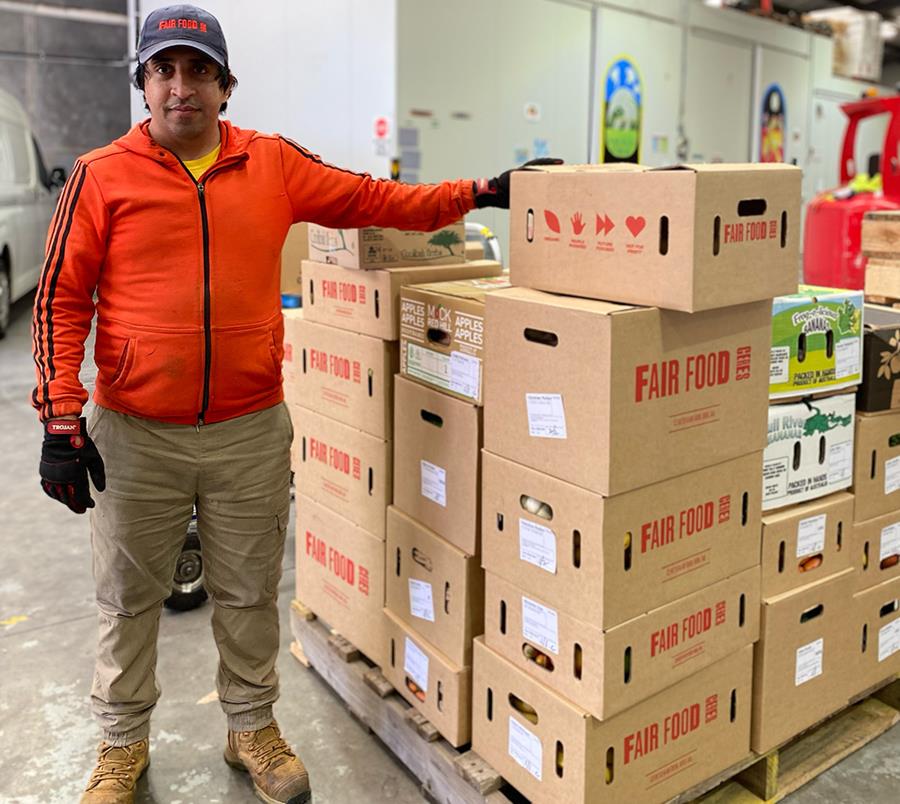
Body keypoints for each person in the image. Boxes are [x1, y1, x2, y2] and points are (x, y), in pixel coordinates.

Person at [32, 5, 558, 803]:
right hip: (136, 435)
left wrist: (480, 191)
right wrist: (61, 422)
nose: (182, 87)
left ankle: (251, 727)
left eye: (199, 71)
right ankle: (120, 744)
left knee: (248, 590)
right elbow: (60, 304)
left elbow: (372, 199)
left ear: (225, 85)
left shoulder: (271, 163)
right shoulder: (101, 176)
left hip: (248, 429)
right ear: (143, 83)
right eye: (165, 70)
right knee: (127, 598)